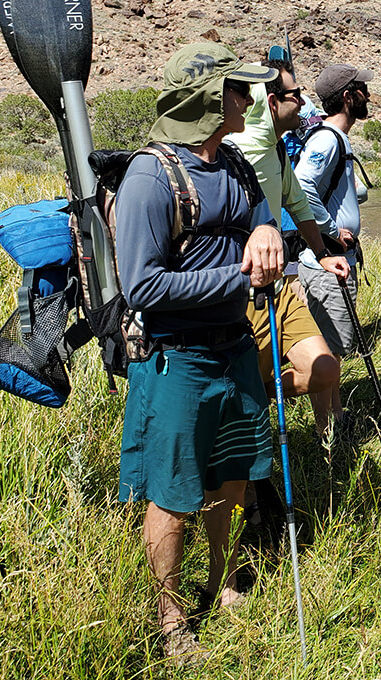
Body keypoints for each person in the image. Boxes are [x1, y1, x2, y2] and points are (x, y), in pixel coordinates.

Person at [114, 43, 285, 665]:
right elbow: (142, 285)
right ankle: (170, 618)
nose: (252, 99)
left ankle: (220, 586)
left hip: (236, 350)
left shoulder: (237, 165)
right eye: (241, 89)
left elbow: (267, 222)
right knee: (174, 491)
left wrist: (266, 229)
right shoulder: (148, 177)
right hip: (176, 359)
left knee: (232, 475)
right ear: (211, 99)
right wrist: (241, 281)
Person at [229, 51, 350, 437]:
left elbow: (298, 205)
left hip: (277, 288)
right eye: (296, 94)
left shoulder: (278, 149)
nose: (304, 102)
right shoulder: (237, 149)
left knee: (324, 368)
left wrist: (323, 254)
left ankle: (260, 393)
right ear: (272, 102)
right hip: (239, 291)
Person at [293, 63, 374, 416]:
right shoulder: (327, 138)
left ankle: (334, 419)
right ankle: (330, 426)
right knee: (330, 349)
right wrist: (328, 229)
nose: (368, 95)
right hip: (329, 267)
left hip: (333, 264)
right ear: (347, 97)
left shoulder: (333, 137)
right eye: (362, 89)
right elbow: (301, 184)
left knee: (333, 348)